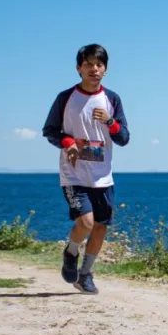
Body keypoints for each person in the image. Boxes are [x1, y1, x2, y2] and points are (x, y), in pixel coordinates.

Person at [41, 44, 130, 294]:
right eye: (88, 64)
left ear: (105, 69)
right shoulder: (65, 98)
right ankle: (71, 252)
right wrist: (68, 143)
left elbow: (124, 138)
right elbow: (50, 131)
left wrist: (110, 122)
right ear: (79, 68)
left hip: (103, 176)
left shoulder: (112, 99)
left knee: (100, 226)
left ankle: (86, 274)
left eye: (99, 65)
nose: (94, 69)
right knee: (86, 222)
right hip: (74, 174)